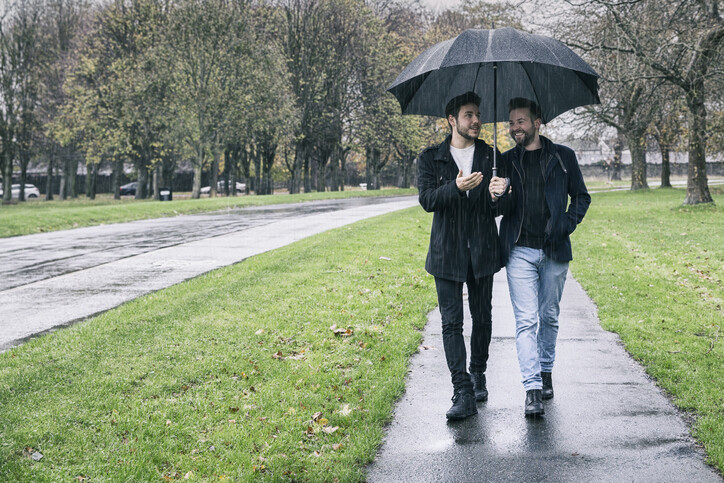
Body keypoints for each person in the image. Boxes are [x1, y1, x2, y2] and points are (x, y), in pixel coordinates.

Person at [489, 97, 591, 417]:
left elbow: (582, 198)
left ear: (537, 122)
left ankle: (546, 371)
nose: (515, 127)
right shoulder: (503, 162)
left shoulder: (563, 157)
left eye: (521, 121)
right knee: (526, 320)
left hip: (554, 249)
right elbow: (497, 210)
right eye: (511, 122)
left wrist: (564, 224)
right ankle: (532, 388)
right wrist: (495, 196)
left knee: (548, 317)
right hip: (519, 250)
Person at [418, 91, 502, 420]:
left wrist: (501, 193)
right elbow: (427, 200)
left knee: (482, 317)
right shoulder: (431, 158)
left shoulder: (491, 156)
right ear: (452, 120)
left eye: (478, 114)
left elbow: (504, 205)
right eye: (469, 115)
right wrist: (456, 188)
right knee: (452, 323)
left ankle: (478, 372)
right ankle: (462, 390)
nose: (476, 121)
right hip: (447, 251)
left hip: (482, 248)